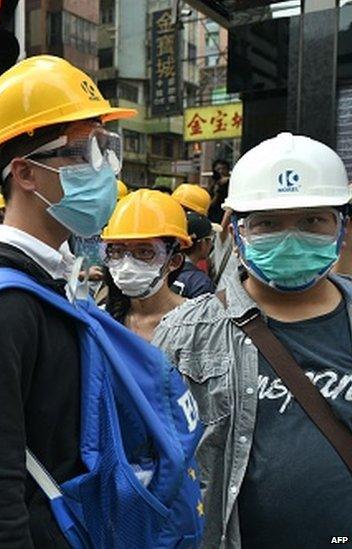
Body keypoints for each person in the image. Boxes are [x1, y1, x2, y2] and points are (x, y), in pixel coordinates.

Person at [0, 55, 136, 546]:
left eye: (107, 150)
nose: (104, 169)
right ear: (25, 173)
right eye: (85, 152)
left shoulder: (50, 280)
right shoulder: (4, 305)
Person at [153, 133, 352, 547]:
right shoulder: (186, 333)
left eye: (313, 220)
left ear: (341, 226)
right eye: (267, 224)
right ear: (235, 230)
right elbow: (159, 466)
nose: (291, 238)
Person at [100, 189, 192, 341]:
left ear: (174, 261)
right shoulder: (103, 321)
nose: (127, 264)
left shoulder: (197, 322)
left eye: (144, 252)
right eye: (117, 251)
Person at [172, 211, 216, 298]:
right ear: (202, 243)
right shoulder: (201, 282)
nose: (211, 244)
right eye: (210, 239)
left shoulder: (162, 269)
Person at [207, 158, 231, 223]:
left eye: (223, 168)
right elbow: (210, 203)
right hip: (215, 214)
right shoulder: (213, 183)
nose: (221, 171)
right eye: (218, 169)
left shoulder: (231, 181)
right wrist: (216, 192)